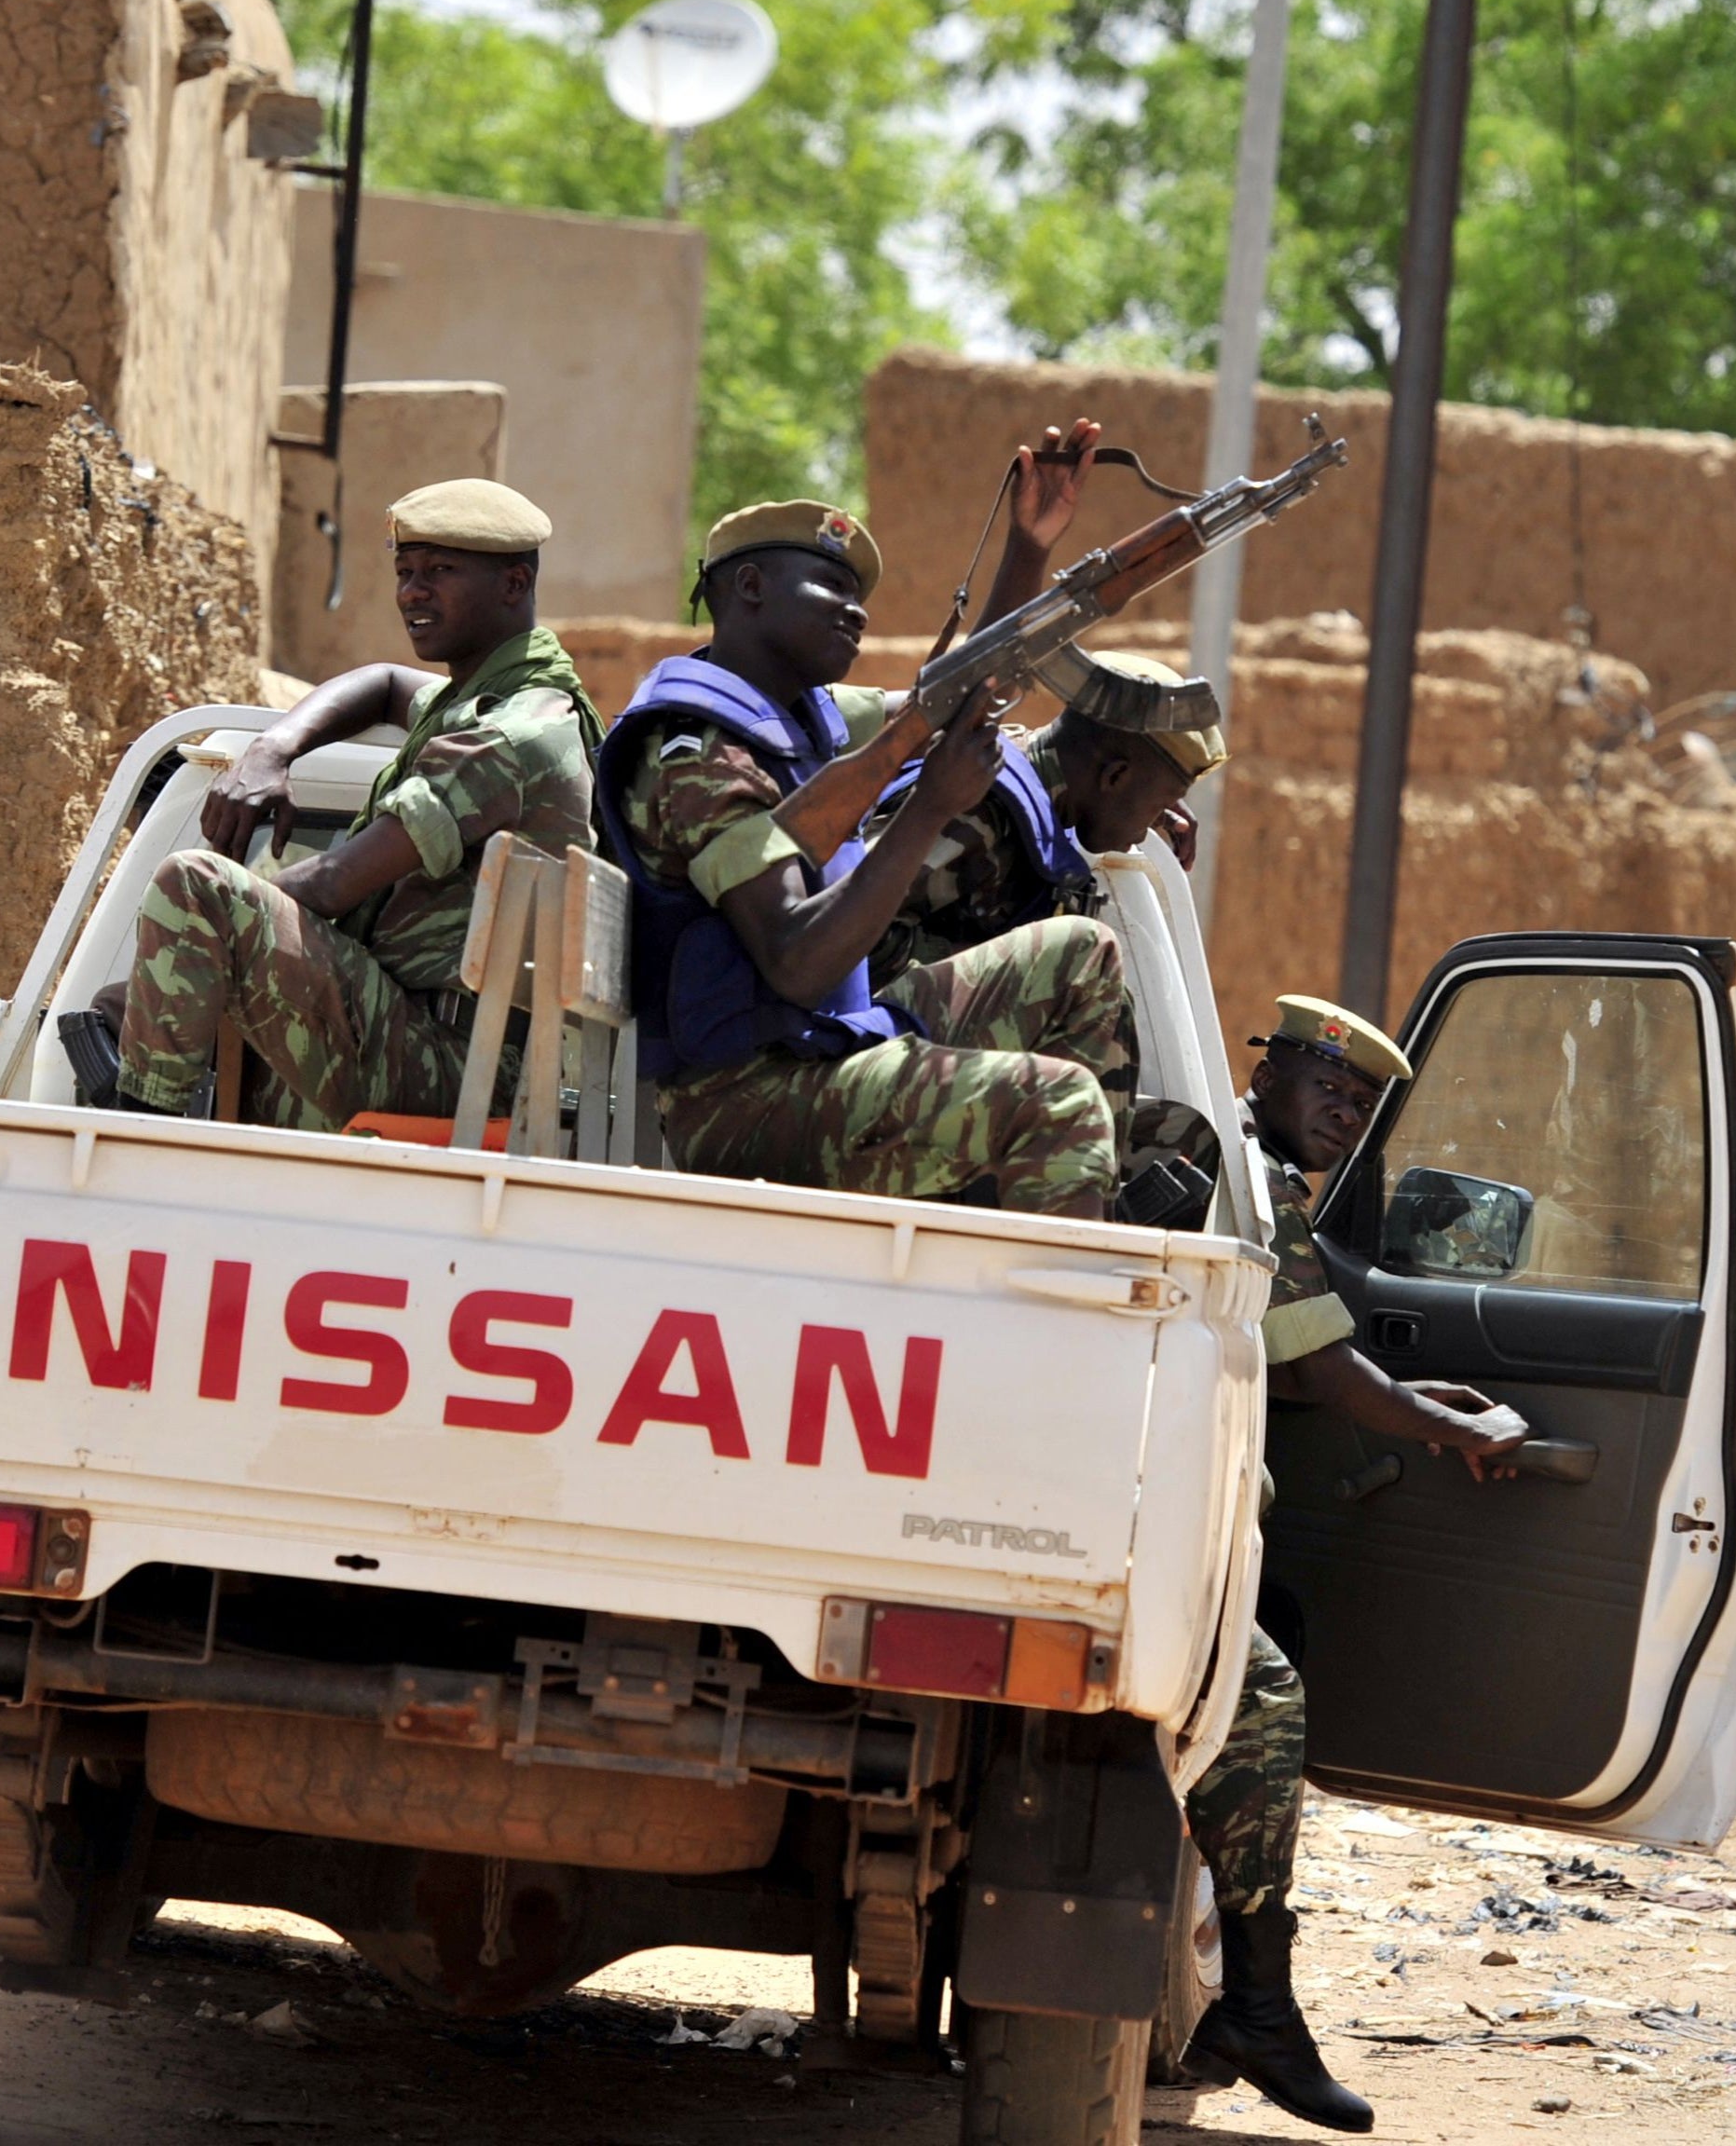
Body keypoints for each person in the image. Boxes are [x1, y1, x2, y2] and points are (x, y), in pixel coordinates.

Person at [1176, 995, 1529, 2135]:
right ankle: (1257, 2012)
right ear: (1268, 1073)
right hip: (1168, 1505)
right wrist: (1455, 1431)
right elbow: (1326, 1376)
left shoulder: (1236, 1162)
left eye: (1363, 1101)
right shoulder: (1248, 1167)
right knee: (1265, 1703)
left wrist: (1423, 1403)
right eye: (1325, 1084)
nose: (1342, 1111)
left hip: (1179, 1495)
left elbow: (1299, 1350)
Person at [594, 480, 1139, 1216]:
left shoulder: (800, 720)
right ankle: (1056, 1305)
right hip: (746, 1103)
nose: (858, 610)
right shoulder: (696, 755)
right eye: (830, 584)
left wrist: (1028, 547)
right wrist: (930, 807)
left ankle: (1052, 1198)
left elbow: (957, 693)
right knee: (1060, 1101)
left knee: (1083, 953)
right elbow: (795, 965)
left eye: (860, 593)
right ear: (749, 586)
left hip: (822, 1048)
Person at [101, 478, 599, 1128]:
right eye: (405, 571)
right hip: (441, 1045)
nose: (412, 592)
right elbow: (386, 682)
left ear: (513, 585)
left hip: (456, 1065)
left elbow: (335, 882)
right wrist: (272, 750)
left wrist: (201, 938)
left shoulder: (508, 735)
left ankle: (133, 1144)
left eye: (441, 571)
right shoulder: (499, 701)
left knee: (195, 887)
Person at [870, 647, 1223, 988]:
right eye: (1159, 804)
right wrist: (1000, 965)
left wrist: (1144, 800)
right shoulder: (982, 814)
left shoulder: (1036, 772)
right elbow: (856, 938)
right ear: (1114, 777)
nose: (1148, 829)